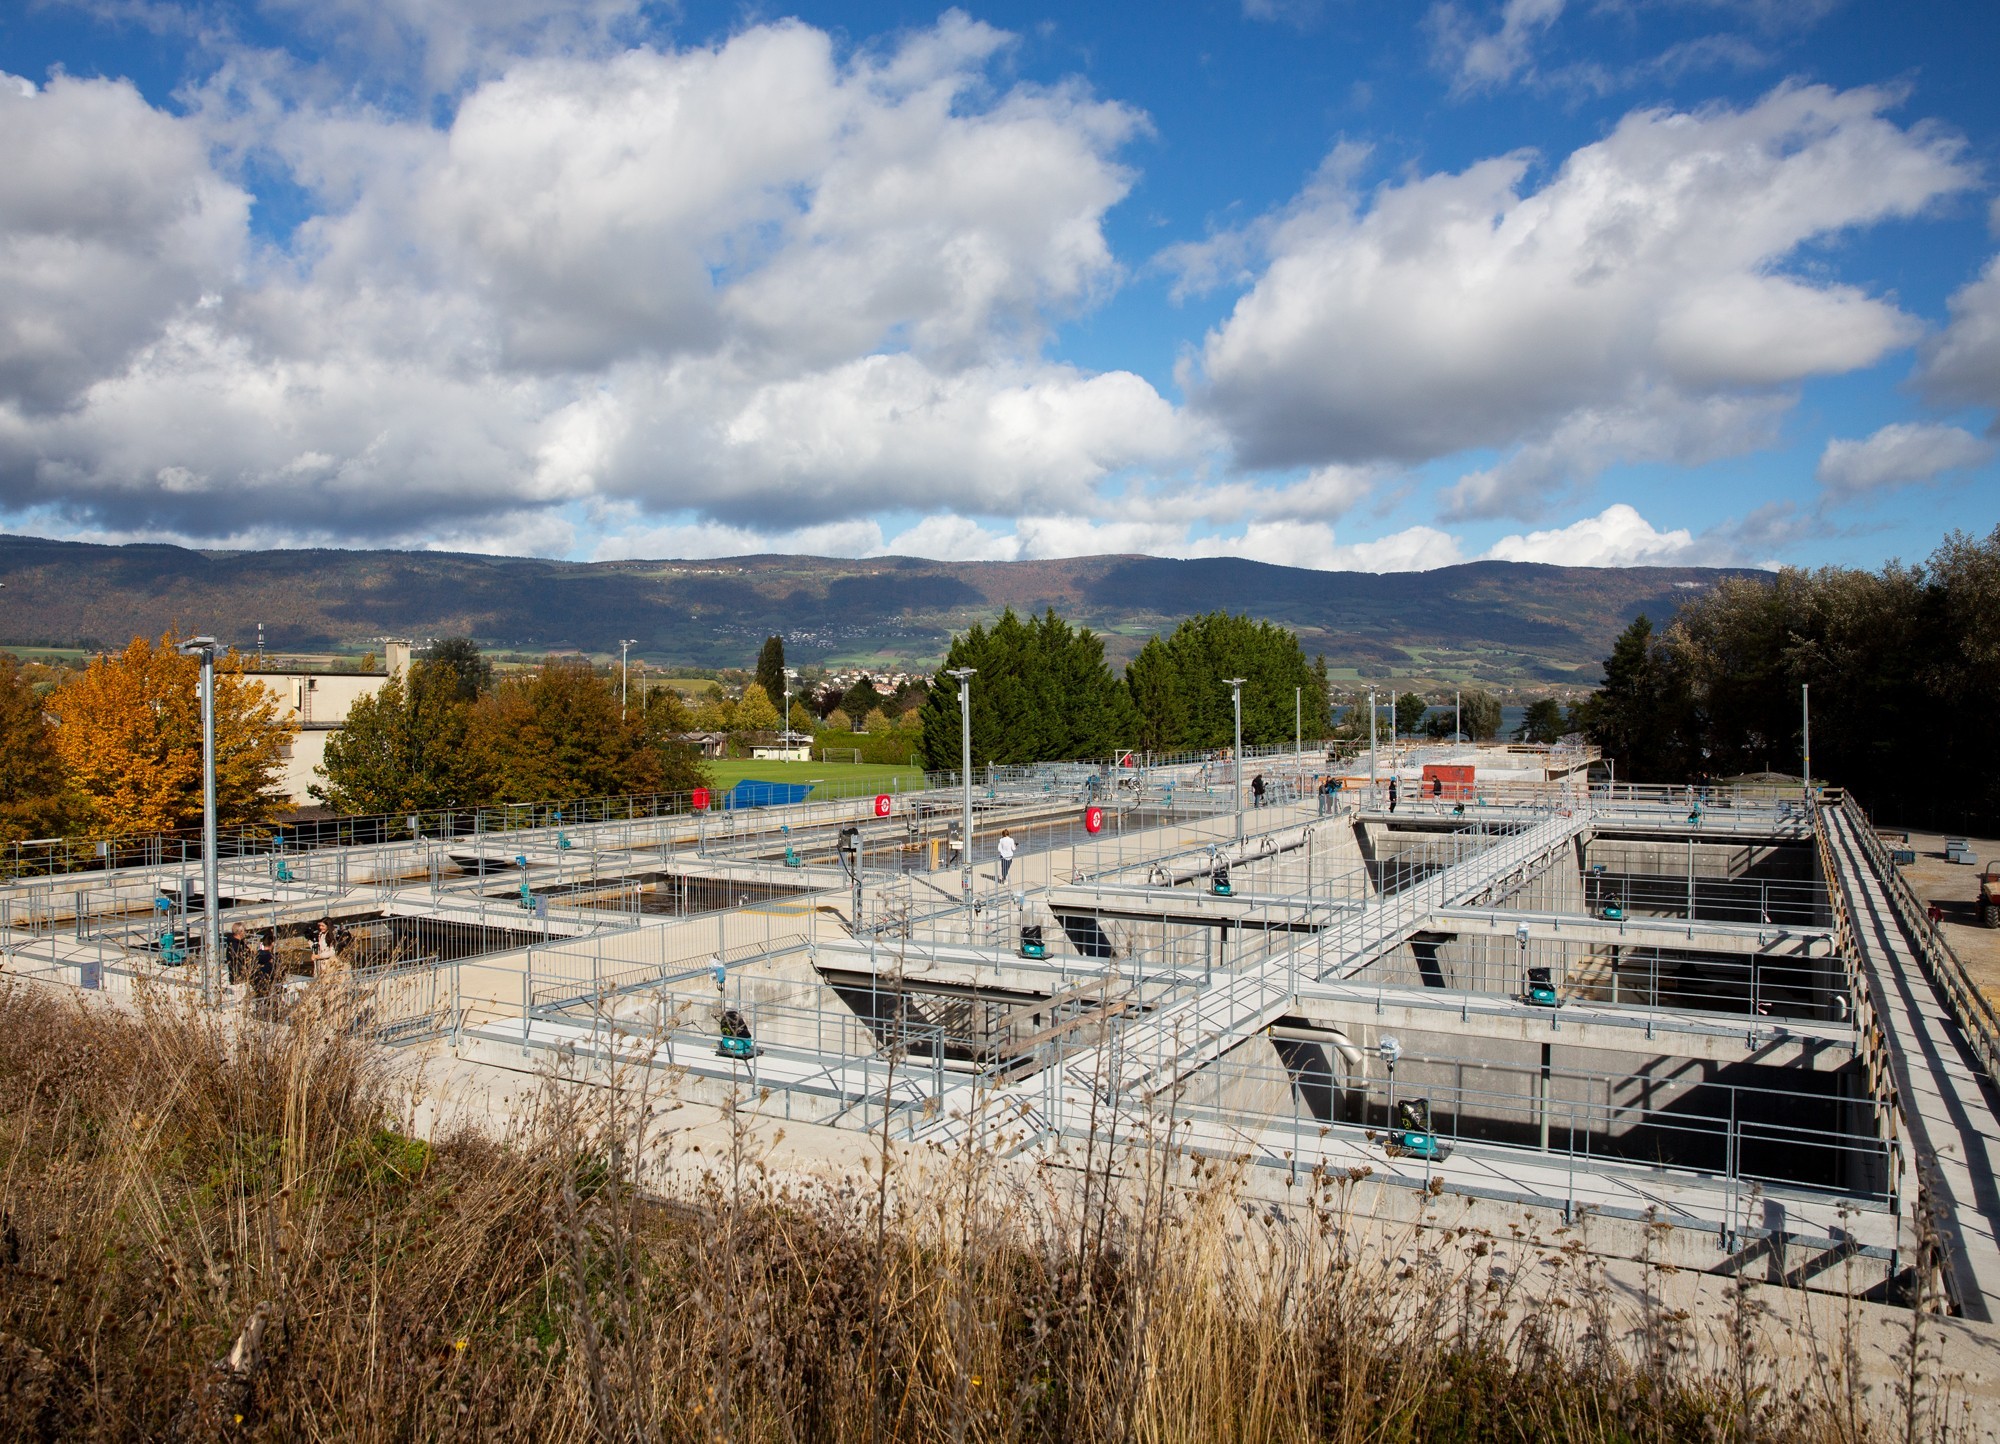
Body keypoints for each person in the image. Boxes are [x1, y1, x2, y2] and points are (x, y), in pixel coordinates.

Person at [249, 930, 279, 1016]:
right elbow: (273, 971)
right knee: (271, 1005)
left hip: (256, 984)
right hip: (268, 984)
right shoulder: (272, 957)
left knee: (260, 1003)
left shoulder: (256, 955)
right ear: (272, 943)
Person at [224, 921, 250, 986]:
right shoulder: (234, 946)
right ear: (240, 932)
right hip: (238, 977)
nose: (245, 933)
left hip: (243, 975)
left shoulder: (240, 943)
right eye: (244, 931)